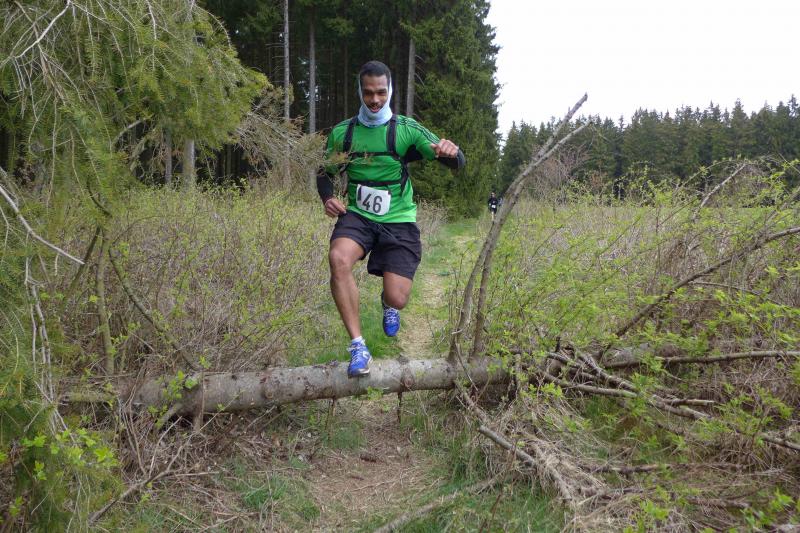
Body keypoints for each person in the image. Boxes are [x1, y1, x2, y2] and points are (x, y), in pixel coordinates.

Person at [316, 60, 466, 378]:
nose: (375, 100)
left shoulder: (406, 129)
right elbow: (324, 172)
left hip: (398, 218)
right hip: (358, 215)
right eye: (368, 93)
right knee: (338, 259)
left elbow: (455, 161)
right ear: (360, 91)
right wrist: (328, 197)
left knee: (398, 296)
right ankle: (358, 346)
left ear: (390, 91)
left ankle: (387, 303)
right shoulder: (344, 134)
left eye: (381, 92)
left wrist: (451, 152)